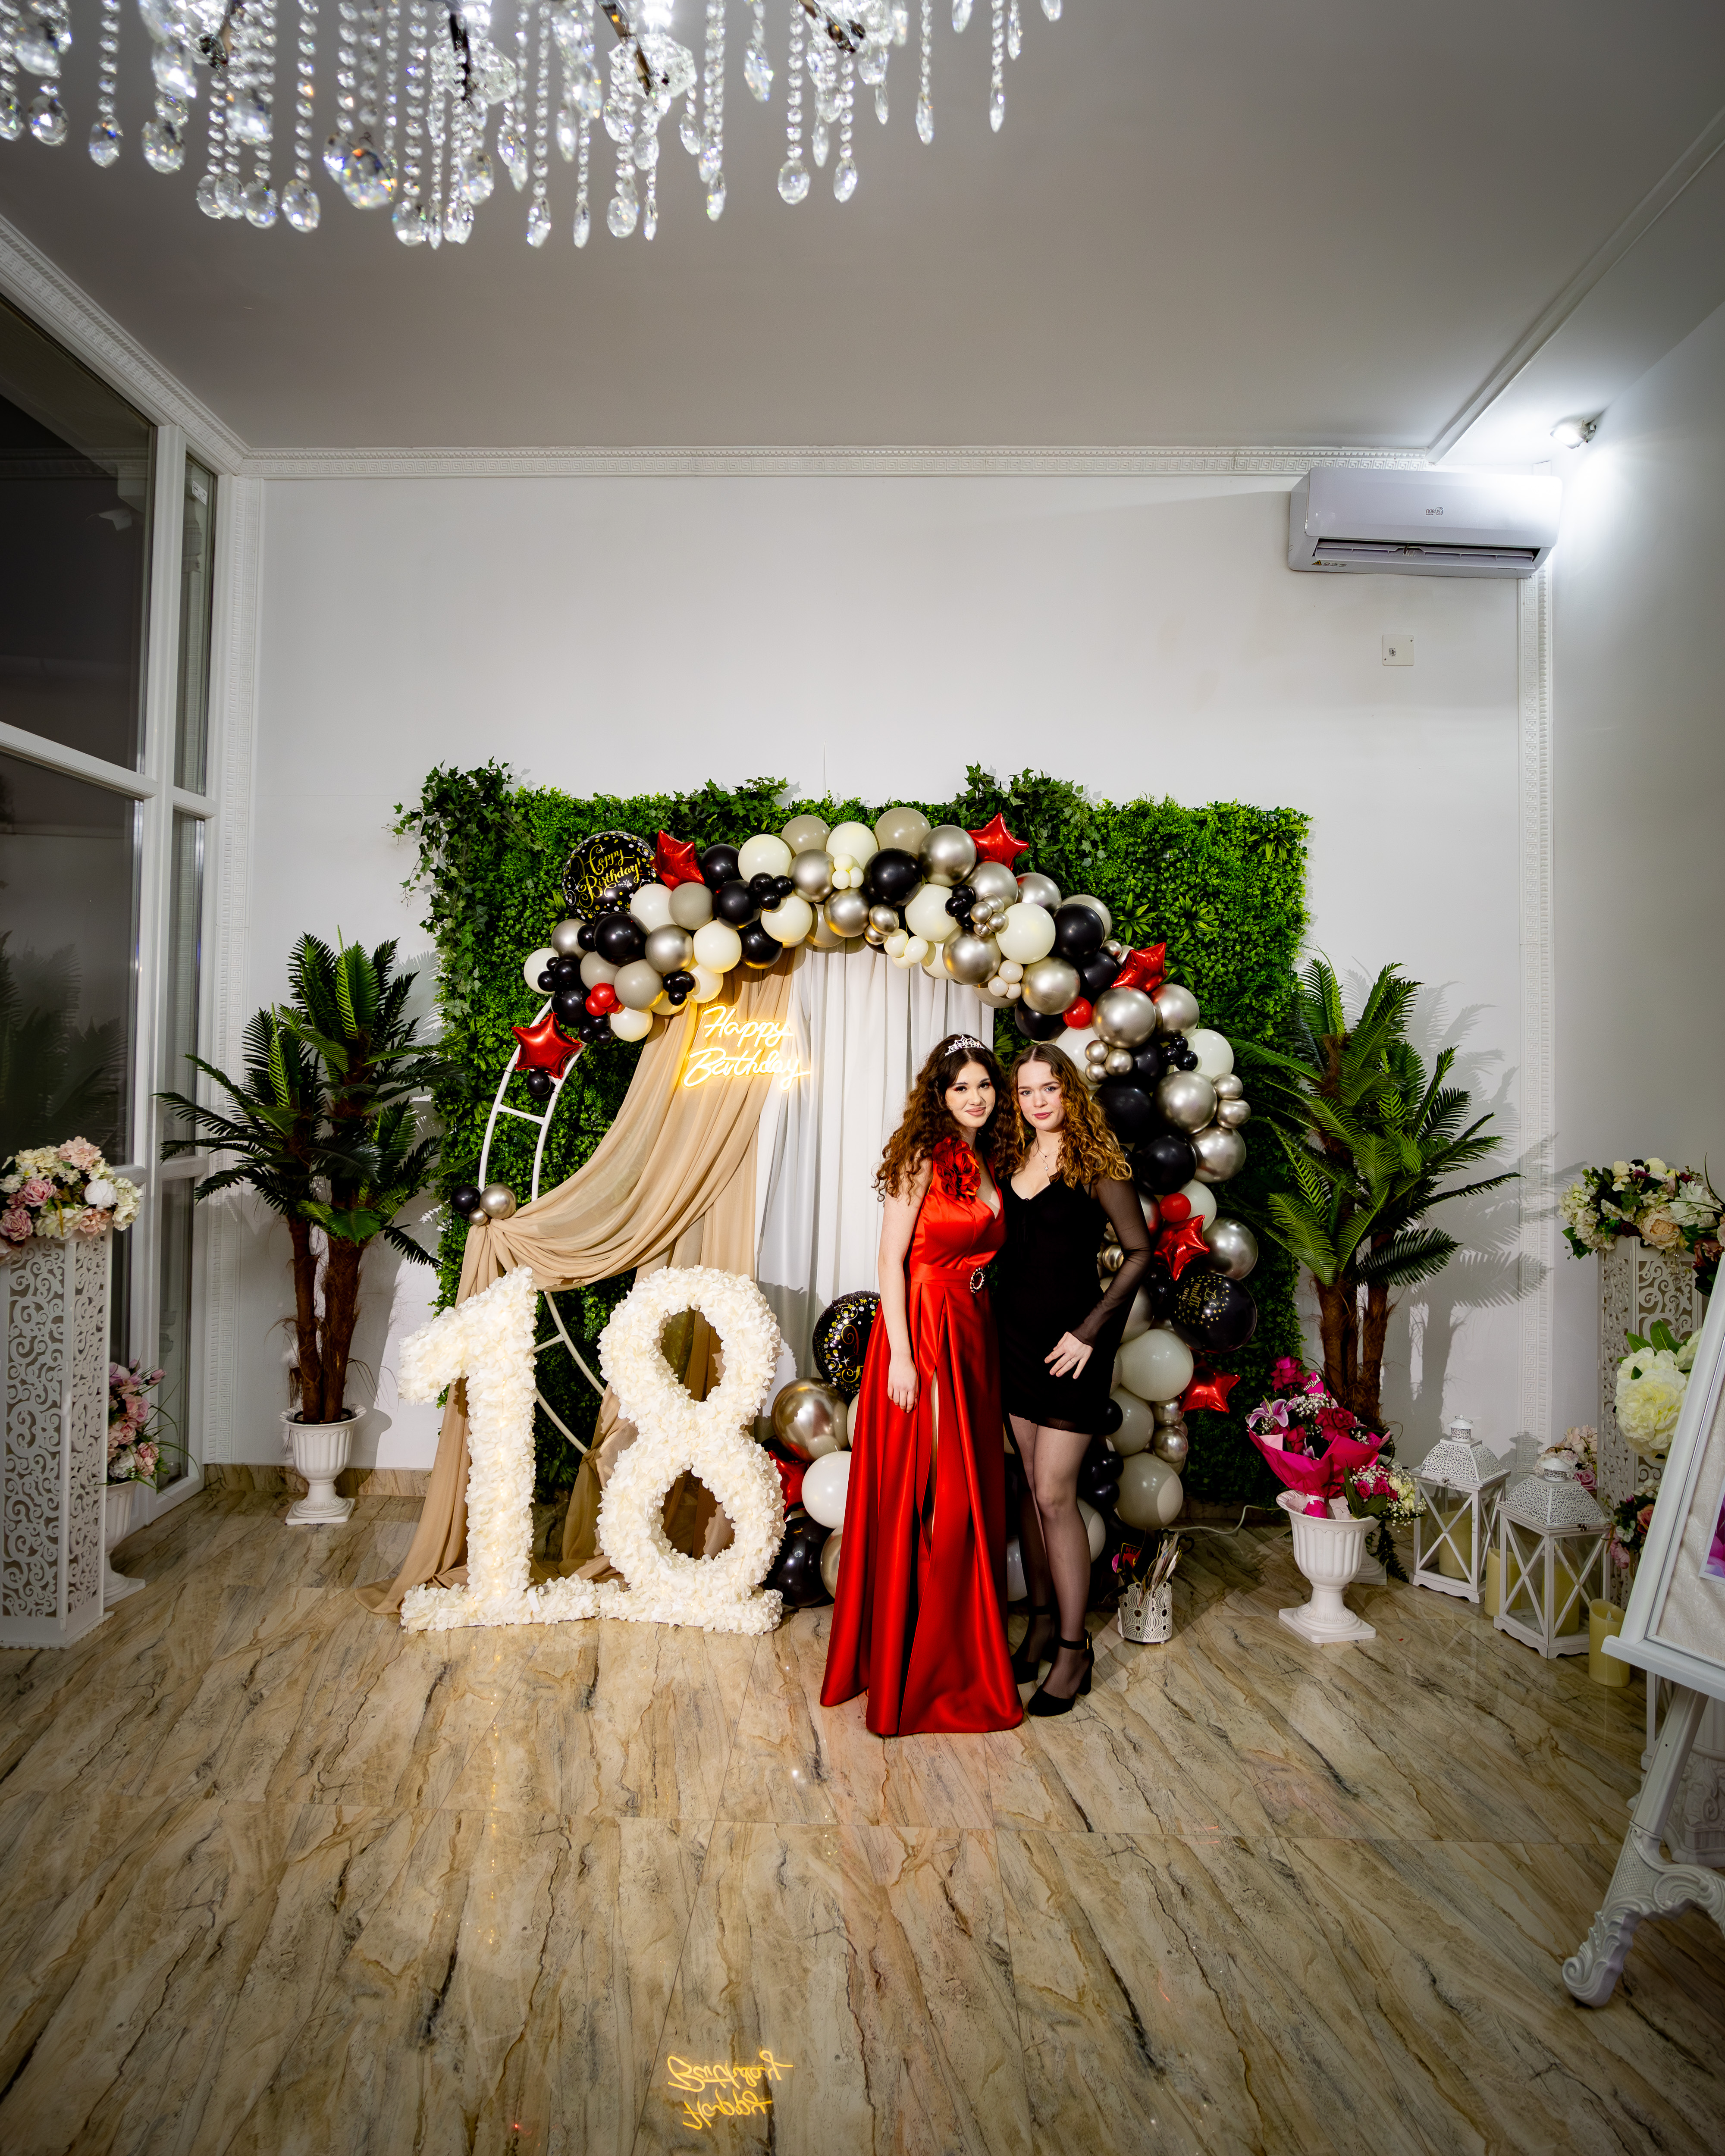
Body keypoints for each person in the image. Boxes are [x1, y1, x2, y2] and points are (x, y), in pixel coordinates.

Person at [820, 1034, 1024, 1736]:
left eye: (984, 1085)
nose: (976, 1097)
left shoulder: (990, 1157)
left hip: (974, 1331)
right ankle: (918, 1665)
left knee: (967, 1492)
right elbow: (890, 1261)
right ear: (939, 1095)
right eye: (961, 1087)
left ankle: (956, 1650)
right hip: (926, 1329)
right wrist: (902, 1358)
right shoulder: (921, 1159)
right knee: (938, 1494)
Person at [993, 1043, 1152, 1715]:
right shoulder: (1007, 1159)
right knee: (1031, 1489)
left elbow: (1139, 1252)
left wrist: (1089, 1333)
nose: (1038, 1101)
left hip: (1073, 1352)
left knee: (1056, 1495)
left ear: (1070, 1091)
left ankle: (1072, 1649)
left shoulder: (1097, 1162)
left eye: (1048, 1088)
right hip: (1013, 1345)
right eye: (1026, 1091)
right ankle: (1037, 1625)